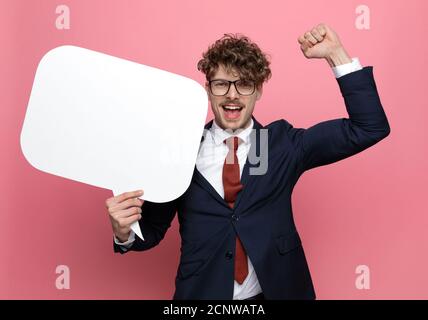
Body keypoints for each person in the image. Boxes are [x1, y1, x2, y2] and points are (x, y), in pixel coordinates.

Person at [105, 23, 390, 300]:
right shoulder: (179, 151)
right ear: (208, 89)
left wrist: (336, 54)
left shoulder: (282, 144)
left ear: (258, 91)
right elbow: (151, 232)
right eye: (221, 84)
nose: (232, 94)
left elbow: (368, 128)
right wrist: (124, 231)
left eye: (244, 84)